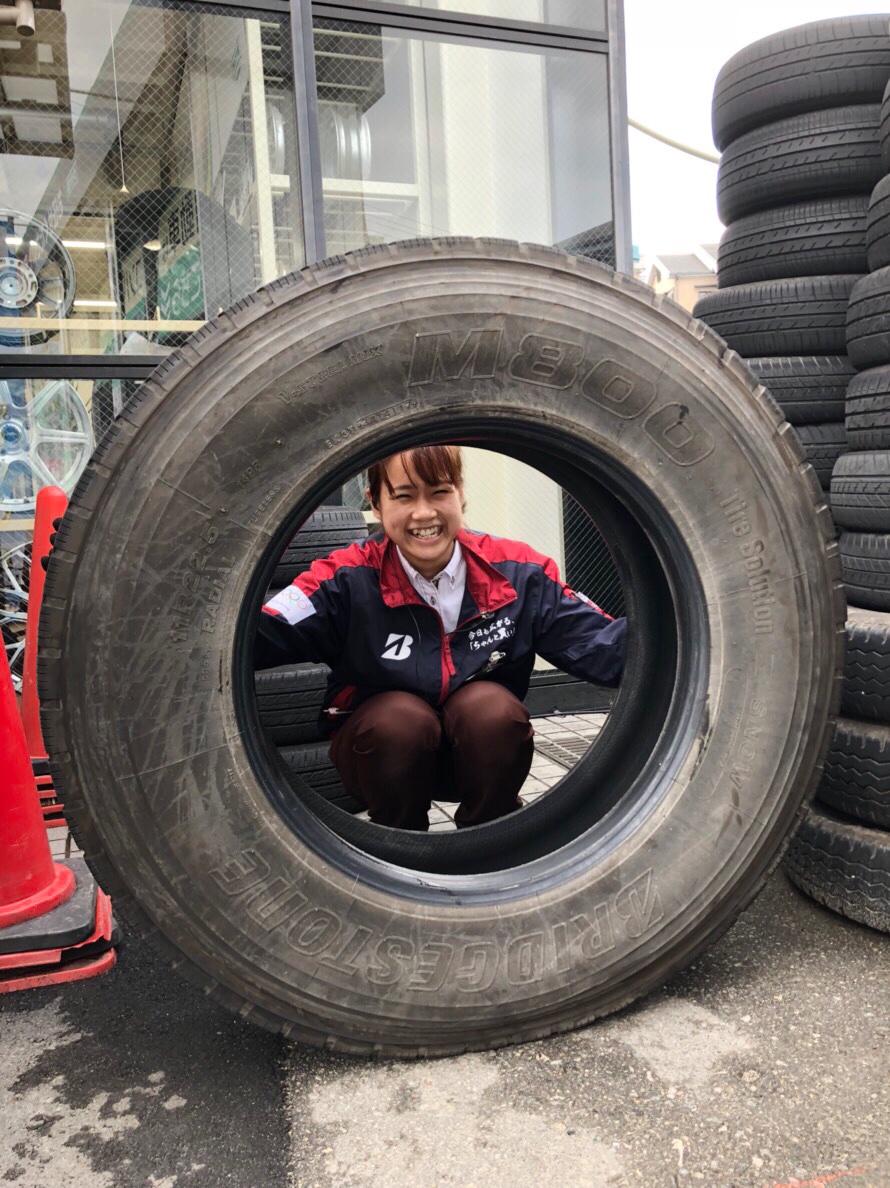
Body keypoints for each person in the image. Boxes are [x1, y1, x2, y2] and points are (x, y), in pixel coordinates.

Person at [255, 446, 627, 831]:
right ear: (376, 504)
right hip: (380, 758)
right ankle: (400, 847)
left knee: (492, 711)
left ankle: (491, 841)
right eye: (403, 496)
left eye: (439, 492)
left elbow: (604, 647)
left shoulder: (520, 572)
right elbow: (257, 636)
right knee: (399, 720)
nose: (424, 513)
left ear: (460, 493)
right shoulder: (343, 578)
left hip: (479, 755)